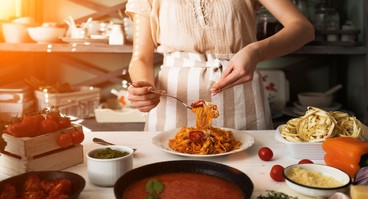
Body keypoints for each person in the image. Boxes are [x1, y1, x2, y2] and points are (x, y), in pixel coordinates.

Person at [125, 0, 314, 131]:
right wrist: (144, 86)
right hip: (174, 101)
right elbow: (141, 57)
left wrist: (255, 51)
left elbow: (303, 28)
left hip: (241, 96)